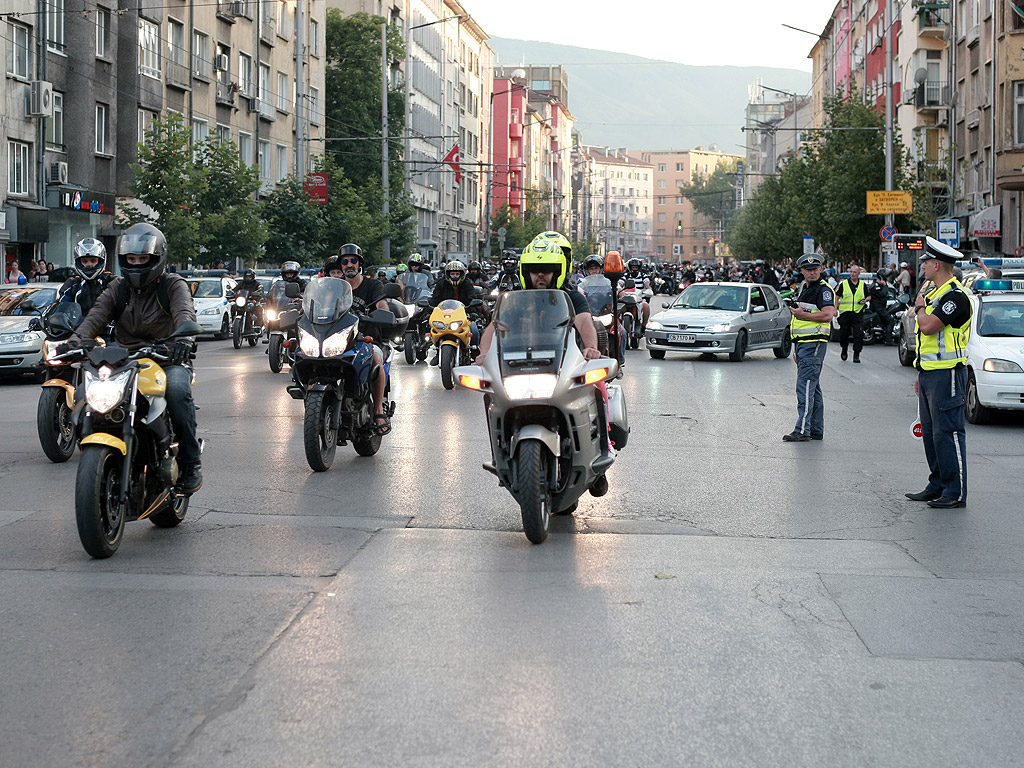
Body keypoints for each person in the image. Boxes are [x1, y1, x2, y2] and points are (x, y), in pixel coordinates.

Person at [64, 223, 203, 494]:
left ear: (157, 258)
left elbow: (185, 313)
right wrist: (75, 341)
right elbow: (95, 316)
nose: (136, 264)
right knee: (85, 392)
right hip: (124, 359)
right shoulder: (118, 287)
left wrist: (184, 341)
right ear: (123, 260)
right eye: (131, 259)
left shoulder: (173, 285)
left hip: (166, 357)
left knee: (176, 391)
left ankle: (190, 461)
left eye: (143, 259)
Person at [905, 237, 973, 509]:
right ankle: (937, 485)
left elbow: (929, 327)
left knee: (949, 433)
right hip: (931, 373)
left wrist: (920, 307)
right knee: (933, 433)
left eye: (925, 263)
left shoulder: (954, 296)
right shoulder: (935, 293)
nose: (922, 268)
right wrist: (921, 374)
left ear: (936, 264)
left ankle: (954, 492)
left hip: (948, 375)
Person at [327, 244, 391, 434]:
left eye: (353, 260)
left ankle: (378, 410)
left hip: (366, 339)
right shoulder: (334, 288)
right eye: (344, 261)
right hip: (336, 339)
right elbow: (315, 305)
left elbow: (381, 303)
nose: (349, 265)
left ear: (359, 263)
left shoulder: (372, 285)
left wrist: (382, 313)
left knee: (376, 359)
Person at [783, 253, 837, 442]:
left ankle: (802, 430)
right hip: (804, 344)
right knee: (813, 387)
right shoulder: (804, 288)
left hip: (813, 343)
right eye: (808, 269)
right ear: (802, 271)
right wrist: (796, 347)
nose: (812, 272)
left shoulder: (824, 290)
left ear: (822, 269)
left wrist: (803, 314)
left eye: (815, 269)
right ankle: (815, 428)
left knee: (805, 386)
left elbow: (828, 314)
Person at [428, 260, 480, 365]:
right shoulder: (441, 284)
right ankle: (439, 352)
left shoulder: (467, 284)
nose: (455, 276)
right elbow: (435, 299)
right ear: (448, 274)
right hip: (444, 314)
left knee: (474, 329)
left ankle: (474, 351)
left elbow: (472, 298)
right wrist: (429, 310)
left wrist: (473, 311)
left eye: (457, 274)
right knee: (434, 328)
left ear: (461, 274)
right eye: (452, 274)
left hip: (463, 313)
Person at [53, 238, 114, 320]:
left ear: (101, 261)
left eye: (93, 260)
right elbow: (60, 306)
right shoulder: (73, 284)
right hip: (78, 330)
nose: (89, 265)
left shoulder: (111, 281)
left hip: (107, 330)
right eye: (84, 261)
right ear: (78, 262)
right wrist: (46, 319)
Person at [835, 264, 869, 362]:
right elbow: (837, 296)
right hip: (845, 313)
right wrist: (835, 308)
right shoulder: (844, 284)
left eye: (855, 272)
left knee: (858, 334)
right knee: (843, 334)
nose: (852, 274)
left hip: (858, 313)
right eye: (851, 272)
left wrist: (865, 300)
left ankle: (856, 355)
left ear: (858, 274)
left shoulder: (863, 285)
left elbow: (869, 296)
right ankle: (844, 350)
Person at [865, 268, 893, 340]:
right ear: (881, 277)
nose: (887, 278)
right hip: (878, 309)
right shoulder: (876, 286)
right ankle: (889, 340)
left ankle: (884, 337)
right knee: (890, 321)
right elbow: (883, 294)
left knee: (885, 323)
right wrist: (885, 285)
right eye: (886, 277)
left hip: (880, 308)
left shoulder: (878, 285)